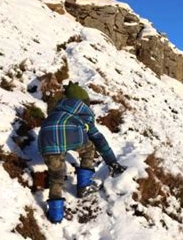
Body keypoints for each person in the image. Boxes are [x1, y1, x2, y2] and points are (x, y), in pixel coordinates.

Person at [38, 82, 126, 223]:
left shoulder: (56, 109)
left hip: (45, 139)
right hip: (71, 134)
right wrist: (112, 161)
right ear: (83, 101)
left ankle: (55, 216)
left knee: (56, 176)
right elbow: (98, 139)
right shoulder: (84, 111)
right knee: (89, 149)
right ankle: (83, 186)